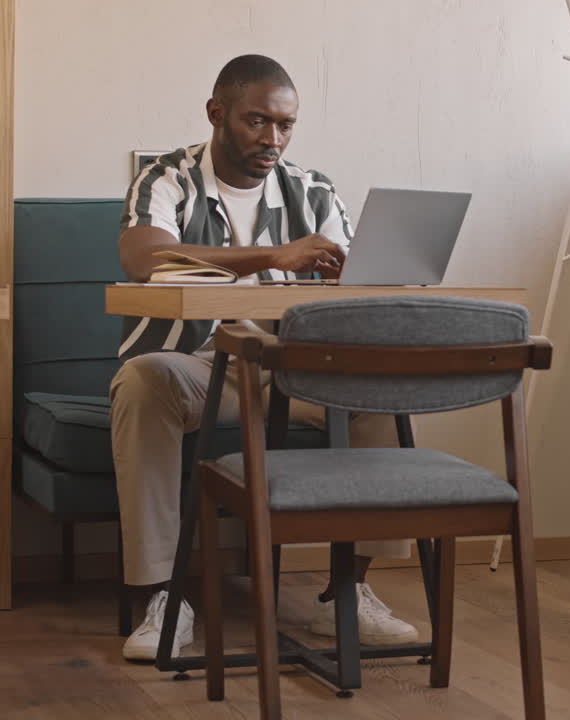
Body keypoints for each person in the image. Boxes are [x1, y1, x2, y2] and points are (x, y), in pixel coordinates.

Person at [111, 54, 418, 661]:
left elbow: (350, 279)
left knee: (380, 390)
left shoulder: (313, 190)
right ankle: (164, 599)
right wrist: (274, 256)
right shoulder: (167, 178)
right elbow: (146, 258)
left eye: (285, 125)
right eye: (256, 122)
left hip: (294, 365)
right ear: (216, 113)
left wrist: (360, 280)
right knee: (142, 381)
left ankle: (347, 593)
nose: (272, 139)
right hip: (202, 365)